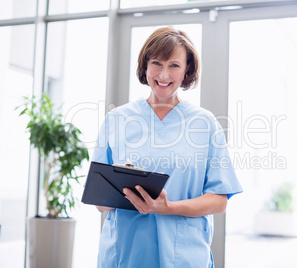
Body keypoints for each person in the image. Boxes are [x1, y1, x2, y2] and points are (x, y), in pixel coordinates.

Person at [92, 26, 242, 268]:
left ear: (186, 71)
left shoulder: (205, 124)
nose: (163, 74)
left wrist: (167, 207)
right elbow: (100, 201)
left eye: (174, 65)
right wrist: (127, 190)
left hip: (184, 256)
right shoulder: (116, 119)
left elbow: (219, 200)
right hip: (126, 253)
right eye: (156, 63)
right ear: (145, 66)